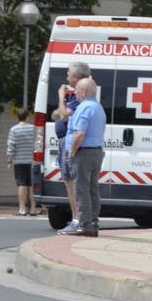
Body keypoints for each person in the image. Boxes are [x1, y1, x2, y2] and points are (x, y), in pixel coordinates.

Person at [61, 77, 106, 237]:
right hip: (96, 152)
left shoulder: (85, 107)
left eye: (77, 90)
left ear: (84, 91)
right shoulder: (98, 107)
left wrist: (71, 152)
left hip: (83, 153)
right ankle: (93, 223)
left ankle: (84, 225)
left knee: (81, 190)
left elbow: (79, 134)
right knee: (93, 190)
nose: (75, 93)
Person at [50, 63, 89, 218]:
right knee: (68, 181)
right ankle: (76, 217)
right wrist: (61, 109)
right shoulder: (72, 96)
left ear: (75, 77)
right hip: (64, 141)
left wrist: (60, 96)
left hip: (70, 141)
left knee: (71, 182)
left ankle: (76, 218)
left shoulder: (80, 96)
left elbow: (63, 115)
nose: (66, 77)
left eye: (68, 74)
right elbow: (55, 115)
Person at [5, 108, 39, 216]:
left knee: (21, 184)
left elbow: (11, 146)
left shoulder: (14, 130)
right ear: (27, 116)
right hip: (32, 161)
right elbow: (37, 142)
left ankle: (22, 209)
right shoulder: (33, 128)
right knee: (32, 185)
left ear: (18, 117)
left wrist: (9, 161)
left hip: (19, 161)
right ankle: (33, 209)